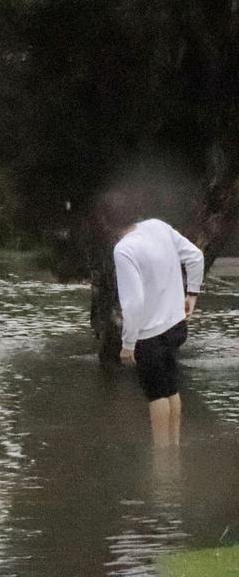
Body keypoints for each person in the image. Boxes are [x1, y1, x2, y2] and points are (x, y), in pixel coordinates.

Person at [100, 192, 204, 448]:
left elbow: (133, 302)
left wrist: (128, 344)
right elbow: (196, 257)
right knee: (170, 387)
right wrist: (192, 294)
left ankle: (162, 461)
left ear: (106, 224)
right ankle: (174, 449)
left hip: (150, 335)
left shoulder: (124, 250)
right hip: (177, 326)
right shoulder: (158, 226)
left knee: (157, 394)